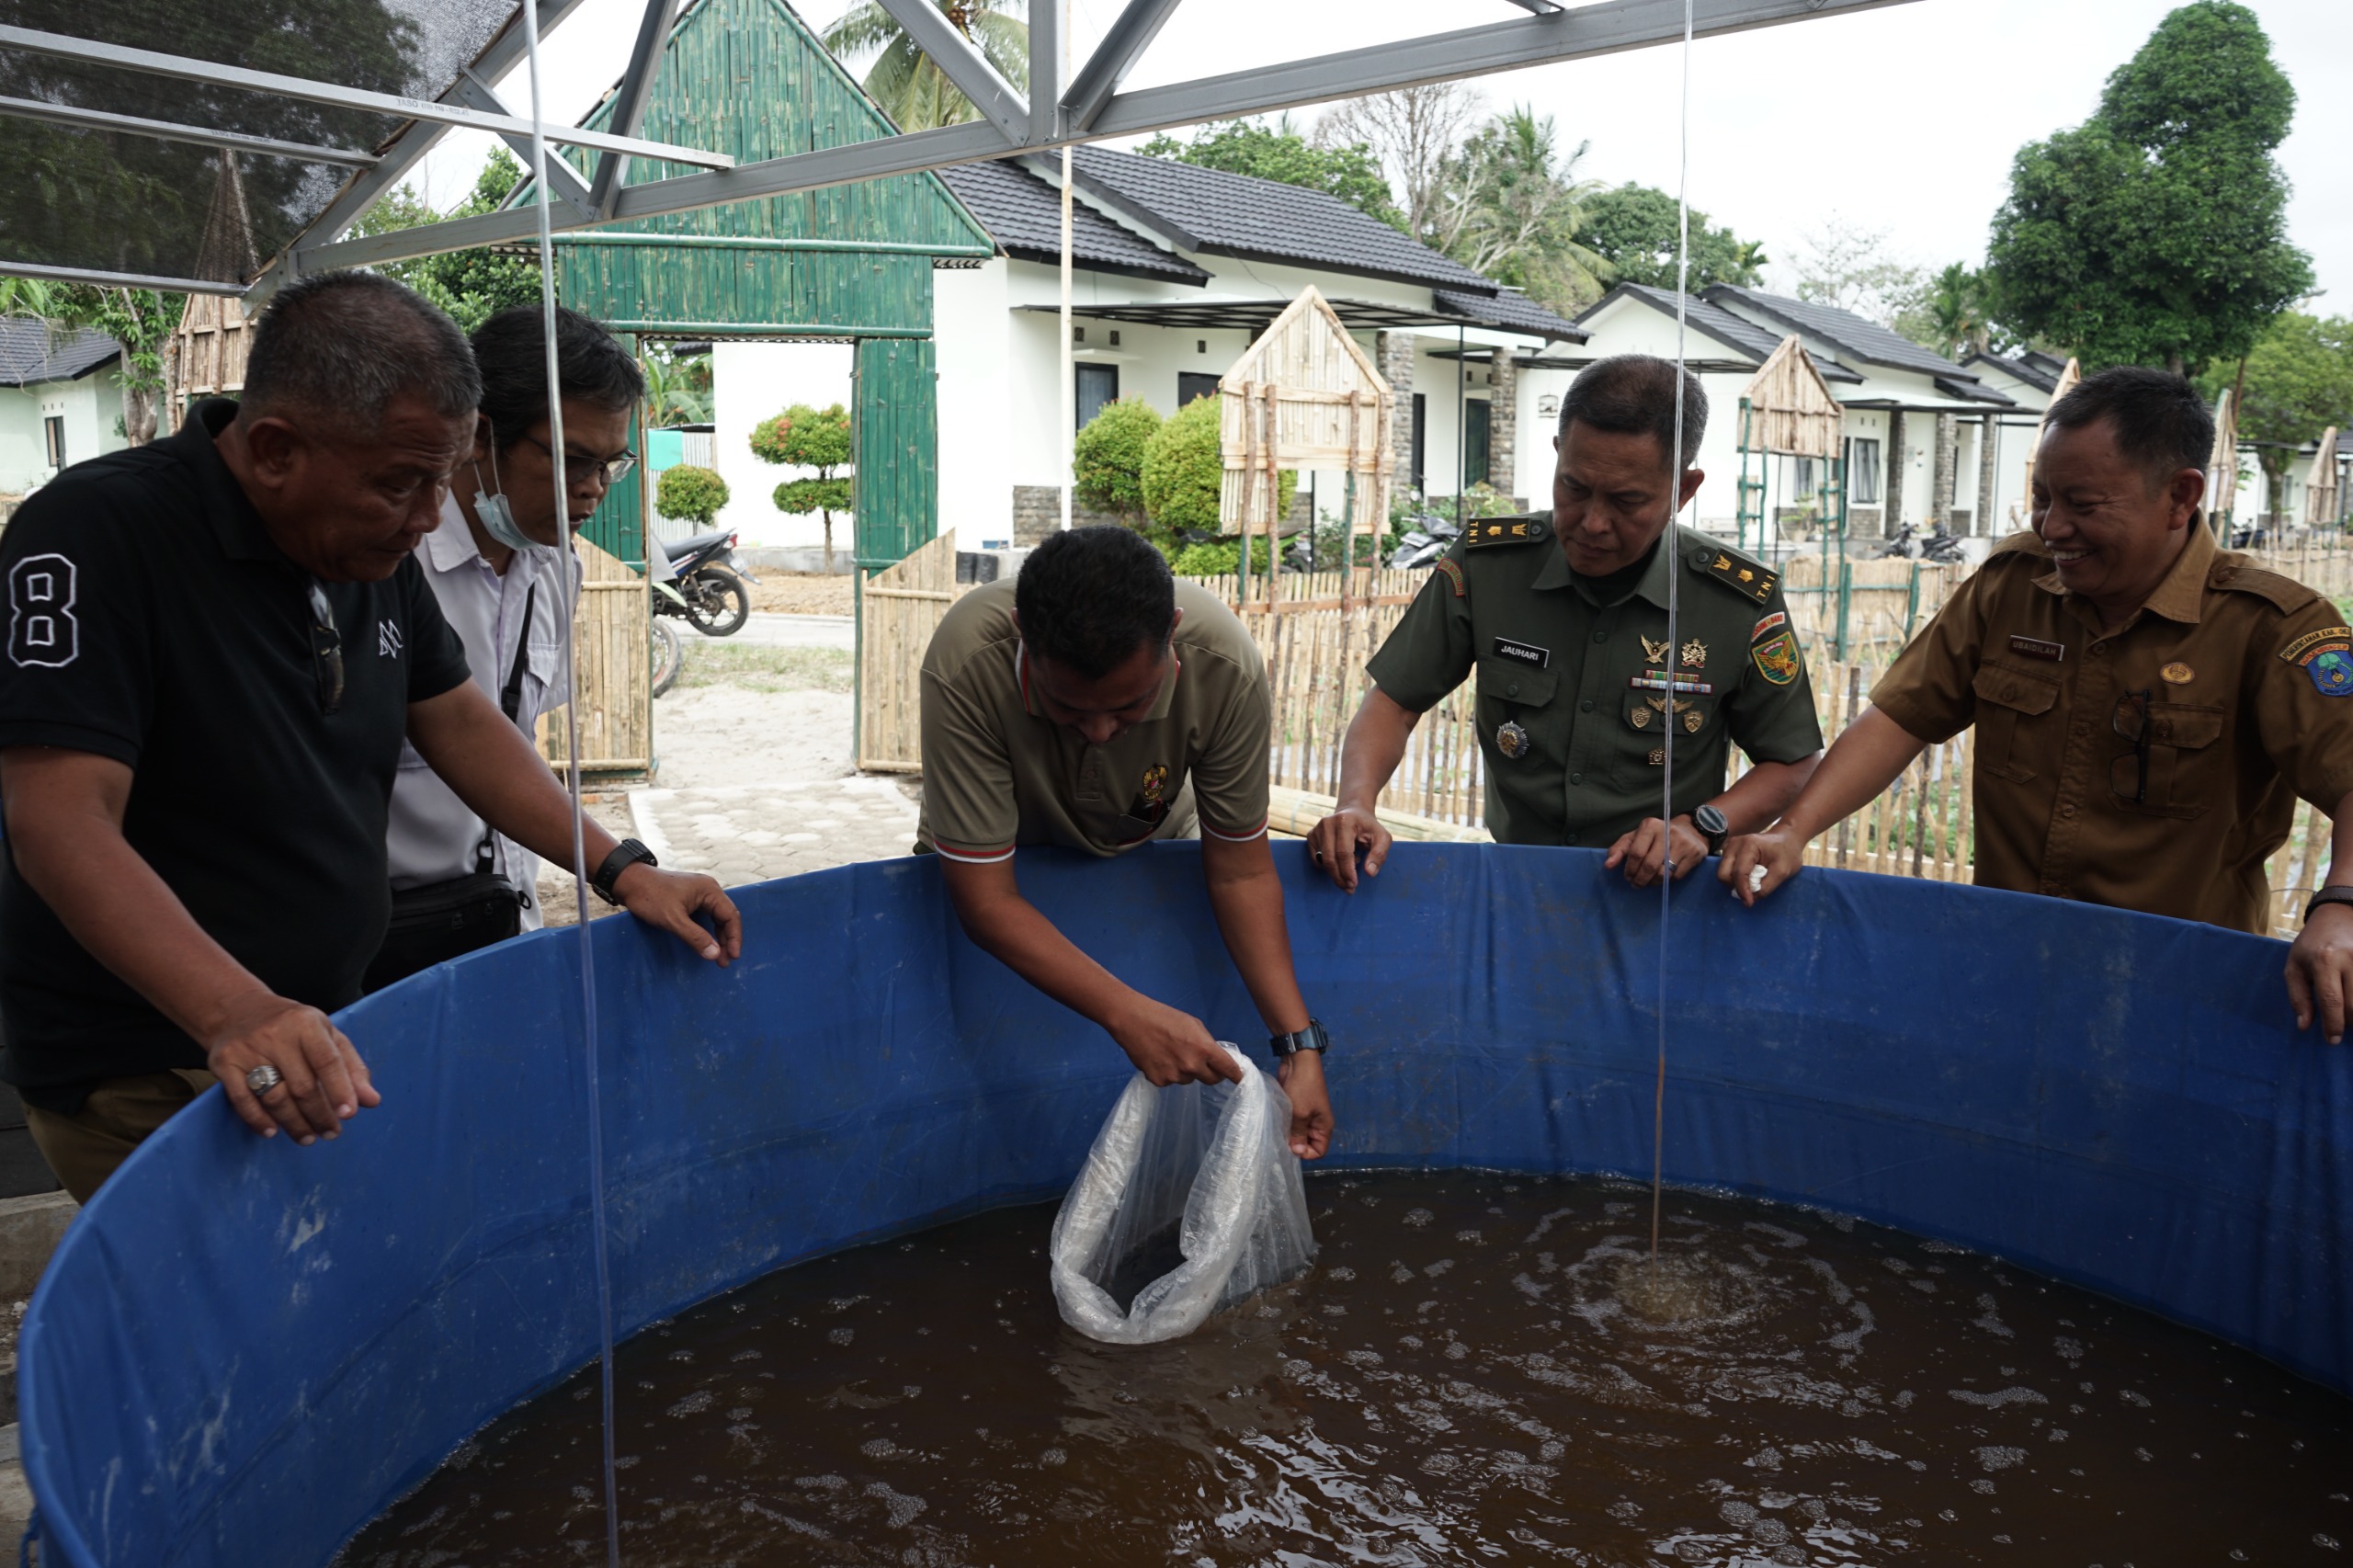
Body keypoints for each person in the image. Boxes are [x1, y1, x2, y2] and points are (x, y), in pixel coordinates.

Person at [0, 271, 743, 1202]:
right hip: (158, 1052)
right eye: (402, 483)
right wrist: (236, 1010)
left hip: (317, 1019)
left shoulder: (357, 544)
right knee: (245, 1328)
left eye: (440, 479)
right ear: (273, 450)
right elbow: (58, 821)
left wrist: (623, 866)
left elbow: (462, 720)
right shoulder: (99, 533)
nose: (432, 514)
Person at [1720, 368, 2353, 1040]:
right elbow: (1903, 717)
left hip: (2180, 999)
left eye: (2082, 504)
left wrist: (2341, 905)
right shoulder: (2011, 586)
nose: (2054, 527)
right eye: (2042, 498)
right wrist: (1794, 830)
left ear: (2180, 495)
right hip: (2006, 973)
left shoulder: (2271, 624)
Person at [1308, 355, 1824, 887]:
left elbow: (1792, 762)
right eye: (1574, 488)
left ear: (1683, 491)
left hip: (1662, 898)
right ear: (1558, 455)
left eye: (1627, 501)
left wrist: (1703, 826)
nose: (1593, 522)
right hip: (1516, 882)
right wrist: (1356, 803)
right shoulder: (1488, 566)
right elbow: (1394, 703)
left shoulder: (1736, 600)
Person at [917, 526, 1334, 1158]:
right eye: (1069, 708)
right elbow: (986, 900)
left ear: (1171, 633)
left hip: (1149, 833)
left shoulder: (1222, 665)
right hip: (1007, 851)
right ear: (1021, 636)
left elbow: (1240, 873)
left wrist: (1297, 1045)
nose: (1102, 731)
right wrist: (1125, 1012)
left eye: (1130, 706)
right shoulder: (968, 660)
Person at [372, 305, 642, 990]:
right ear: (479, 436)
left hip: (499, 928)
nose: (592, 488)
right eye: (573, 459)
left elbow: (513, 742)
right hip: (387, 947)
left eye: (612, 465)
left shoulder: (557, 567)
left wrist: (622, 872)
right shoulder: (386, 567)